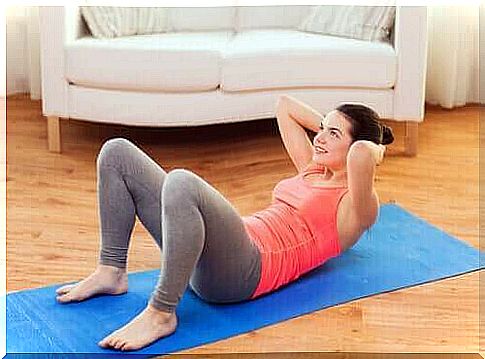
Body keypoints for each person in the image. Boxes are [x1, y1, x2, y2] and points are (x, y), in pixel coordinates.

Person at [54, 95, 394, 351]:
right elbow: (285, 106)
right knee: (117, 153)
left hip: (244, 274)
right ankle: (111, 271)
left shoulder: (356, 207)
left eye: (333, 134)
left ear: (356, 147)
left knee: (182, 182)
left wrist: (375, 145)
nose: (319, 138)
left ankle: (161, 312)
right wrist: (330, 129)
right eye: (321, 129)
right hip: (221, 251)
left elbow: (362, 154)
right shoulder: (312, 168)